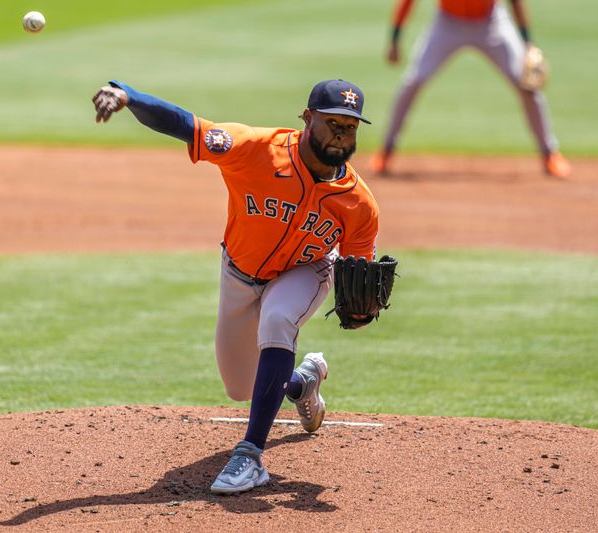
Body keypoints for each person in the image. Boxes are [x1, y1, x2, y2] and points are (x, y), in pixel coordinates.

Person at [92, 79, 380, 494]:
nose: (340, 133)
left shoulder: (359, 203)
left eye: (349, 127)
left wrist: (360, 312)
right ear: (306, 118)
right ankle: (301, 382)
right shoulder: (255, 149)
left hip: (307, 270)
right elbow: (186, 126)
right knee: (240, 387)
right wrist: (128, 95)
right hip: (239, 272)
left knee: (279, 320)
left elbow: (359, 273)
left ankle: (249, 456)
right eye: (332, 122)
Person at [370, 0, 572, 178]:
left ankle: (549, 154)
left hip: (491, 22)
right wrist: (395, 38)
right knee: (413, 81)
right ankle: (386, 151)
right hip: (447, 23)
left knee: (527, 85)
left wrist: (527, 42)